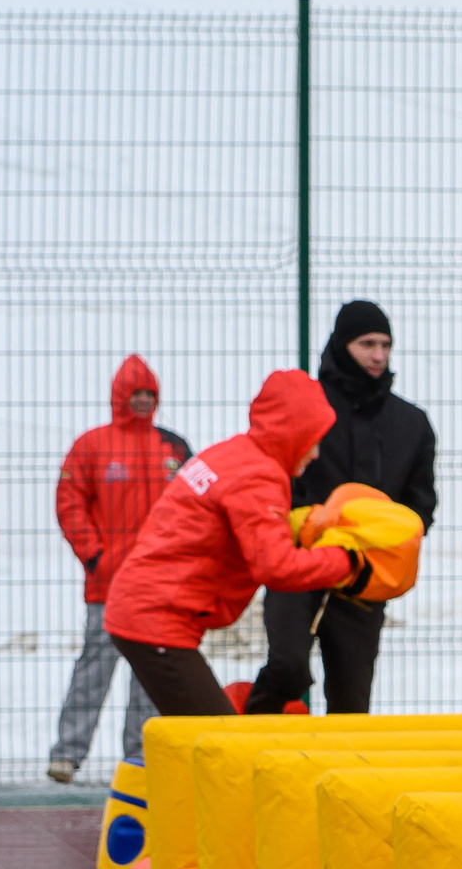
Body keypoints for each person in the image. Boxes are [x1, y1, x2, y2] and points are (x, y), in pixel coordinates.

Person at [103, 370, 381, 719]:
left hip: (145, 609)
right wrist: (348, 563)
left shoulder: (232, 454)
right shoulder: (259, 475)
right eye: (312, 440)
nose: (315, 453)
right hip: (155, 620)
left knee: (204, 733)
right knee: (216, 742)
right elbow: (276, 566)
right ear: (293, 432)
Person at [247, 300, 437, 715]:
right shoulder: (307, 408)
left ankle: (337, 776)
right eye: (367, 343)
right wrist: (310, 526)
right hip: (297, 561)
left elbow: (420, 507)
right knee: (287, 667)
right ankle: (247, 737)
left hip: (362, 571)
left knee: (351, 697)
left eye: (386, 344)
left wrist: (381, 537)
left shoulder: (411, 423)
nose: (378, 355)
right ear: (341, 343)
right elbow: (273, 480)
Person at [49, 355, 192, 782]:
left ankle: (140, 757)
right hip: (107, 585)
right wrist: (95, 556)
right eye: (137, 394)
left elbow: (194, 509)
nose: (144, 401)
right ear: (120, 396)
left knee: (149, 675)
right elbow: (69, 502)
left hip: (159, 587)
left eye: (150, 394)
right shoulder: (92, 445)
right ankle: (67, 754)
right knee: (94, 667)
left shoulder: (174, 449)